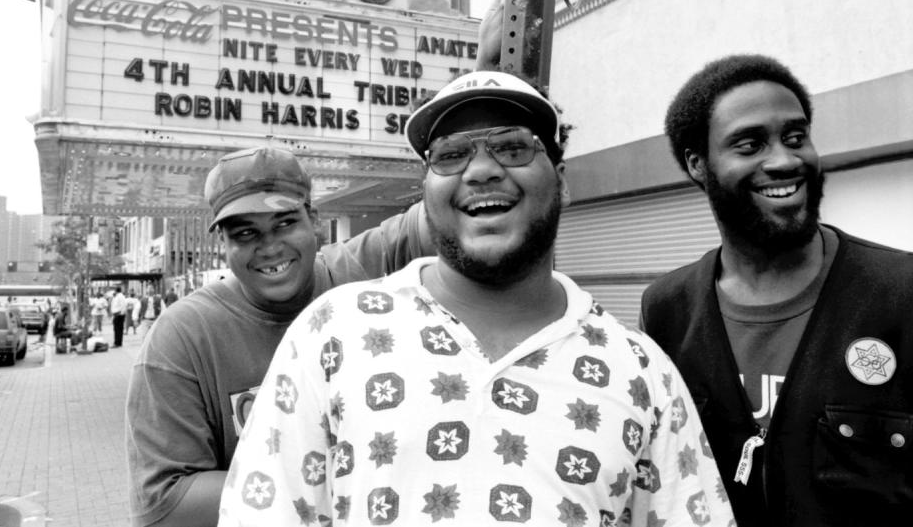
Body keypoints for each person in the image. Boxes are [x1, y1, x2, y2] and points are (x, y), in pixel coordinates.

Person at [218, 71, 734, 526]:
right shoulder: (330, 334)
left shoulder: (642, 372)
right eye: (450, 154)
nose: (481, 169)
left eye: (513, 147)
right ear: (426, 193)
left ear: (561, 182)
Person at [640, 54, 913, 526]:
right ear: (697, 164)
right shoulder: (667, 311)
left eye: (795, 137)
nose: (785, 160)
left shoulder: (900, 293)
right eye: (749, 145)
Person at [126, 145, 435, 527]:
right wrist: (331, 486)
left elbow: (446, 209)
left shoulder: (366, 267)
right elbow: (165, 503)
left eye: (285, 223)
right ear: (224, 244)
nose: (269, 247)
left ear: (315, 220)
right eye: (245, 233)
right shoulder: (182, 338)